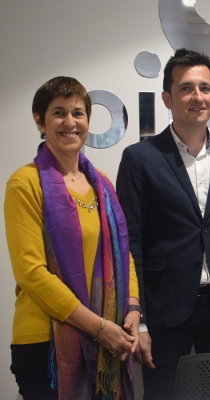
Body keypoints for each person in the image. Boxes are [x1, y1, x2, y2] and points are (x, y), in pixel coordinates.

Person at [116, 48, 210, 400]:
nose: (198, 97)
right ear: (167, 99)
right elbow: (130, 244)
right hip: (165, 310)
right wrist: (139, 318)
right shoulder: (140, 159)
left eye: (205, 88)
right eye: (186, 88)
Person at [4, 76, 140, 400]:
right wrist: (99, 327)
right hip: (46, 345)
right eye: (58, 113)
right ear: (40, 121)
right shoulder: (25, 183)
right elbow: (31, 274)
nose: (70, 122)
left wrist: (133, 309)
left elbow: (123, 254)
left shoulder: (102, 185)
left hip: (107, 339)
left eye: (78, 113)